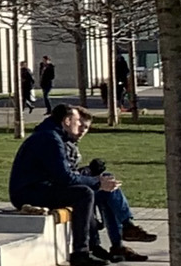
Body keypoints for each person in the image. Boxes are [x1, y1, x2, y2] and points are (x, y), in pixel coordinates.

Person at [10, 104, 110, 266]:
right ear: (67, 121)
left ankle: (97, 244)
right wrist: (97, 182)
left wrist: (95, 180)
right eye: (78, 121)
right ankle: (81, 252)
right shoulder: (50, 138)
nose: (80, 125)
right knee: (84, 193)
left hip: (38, 187)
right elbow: (65, 177)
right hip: (28, 193)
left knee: (88, 188)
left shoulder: (52, 135)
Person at [67, 105, 158, 260]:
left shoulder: (70, 142)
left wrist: (89, 171)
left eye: (86, 128)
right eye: (80, 125)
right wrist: (93, 178)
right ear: (69, 122)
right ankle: (125, 229)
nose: (82, 130)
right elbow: (64, 175)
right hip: (64, 191)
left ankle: (119, 243)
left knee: (107, 188)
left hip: (74, 185)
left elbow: (70, 170)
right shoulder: (59, 142)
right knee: (105, 189)